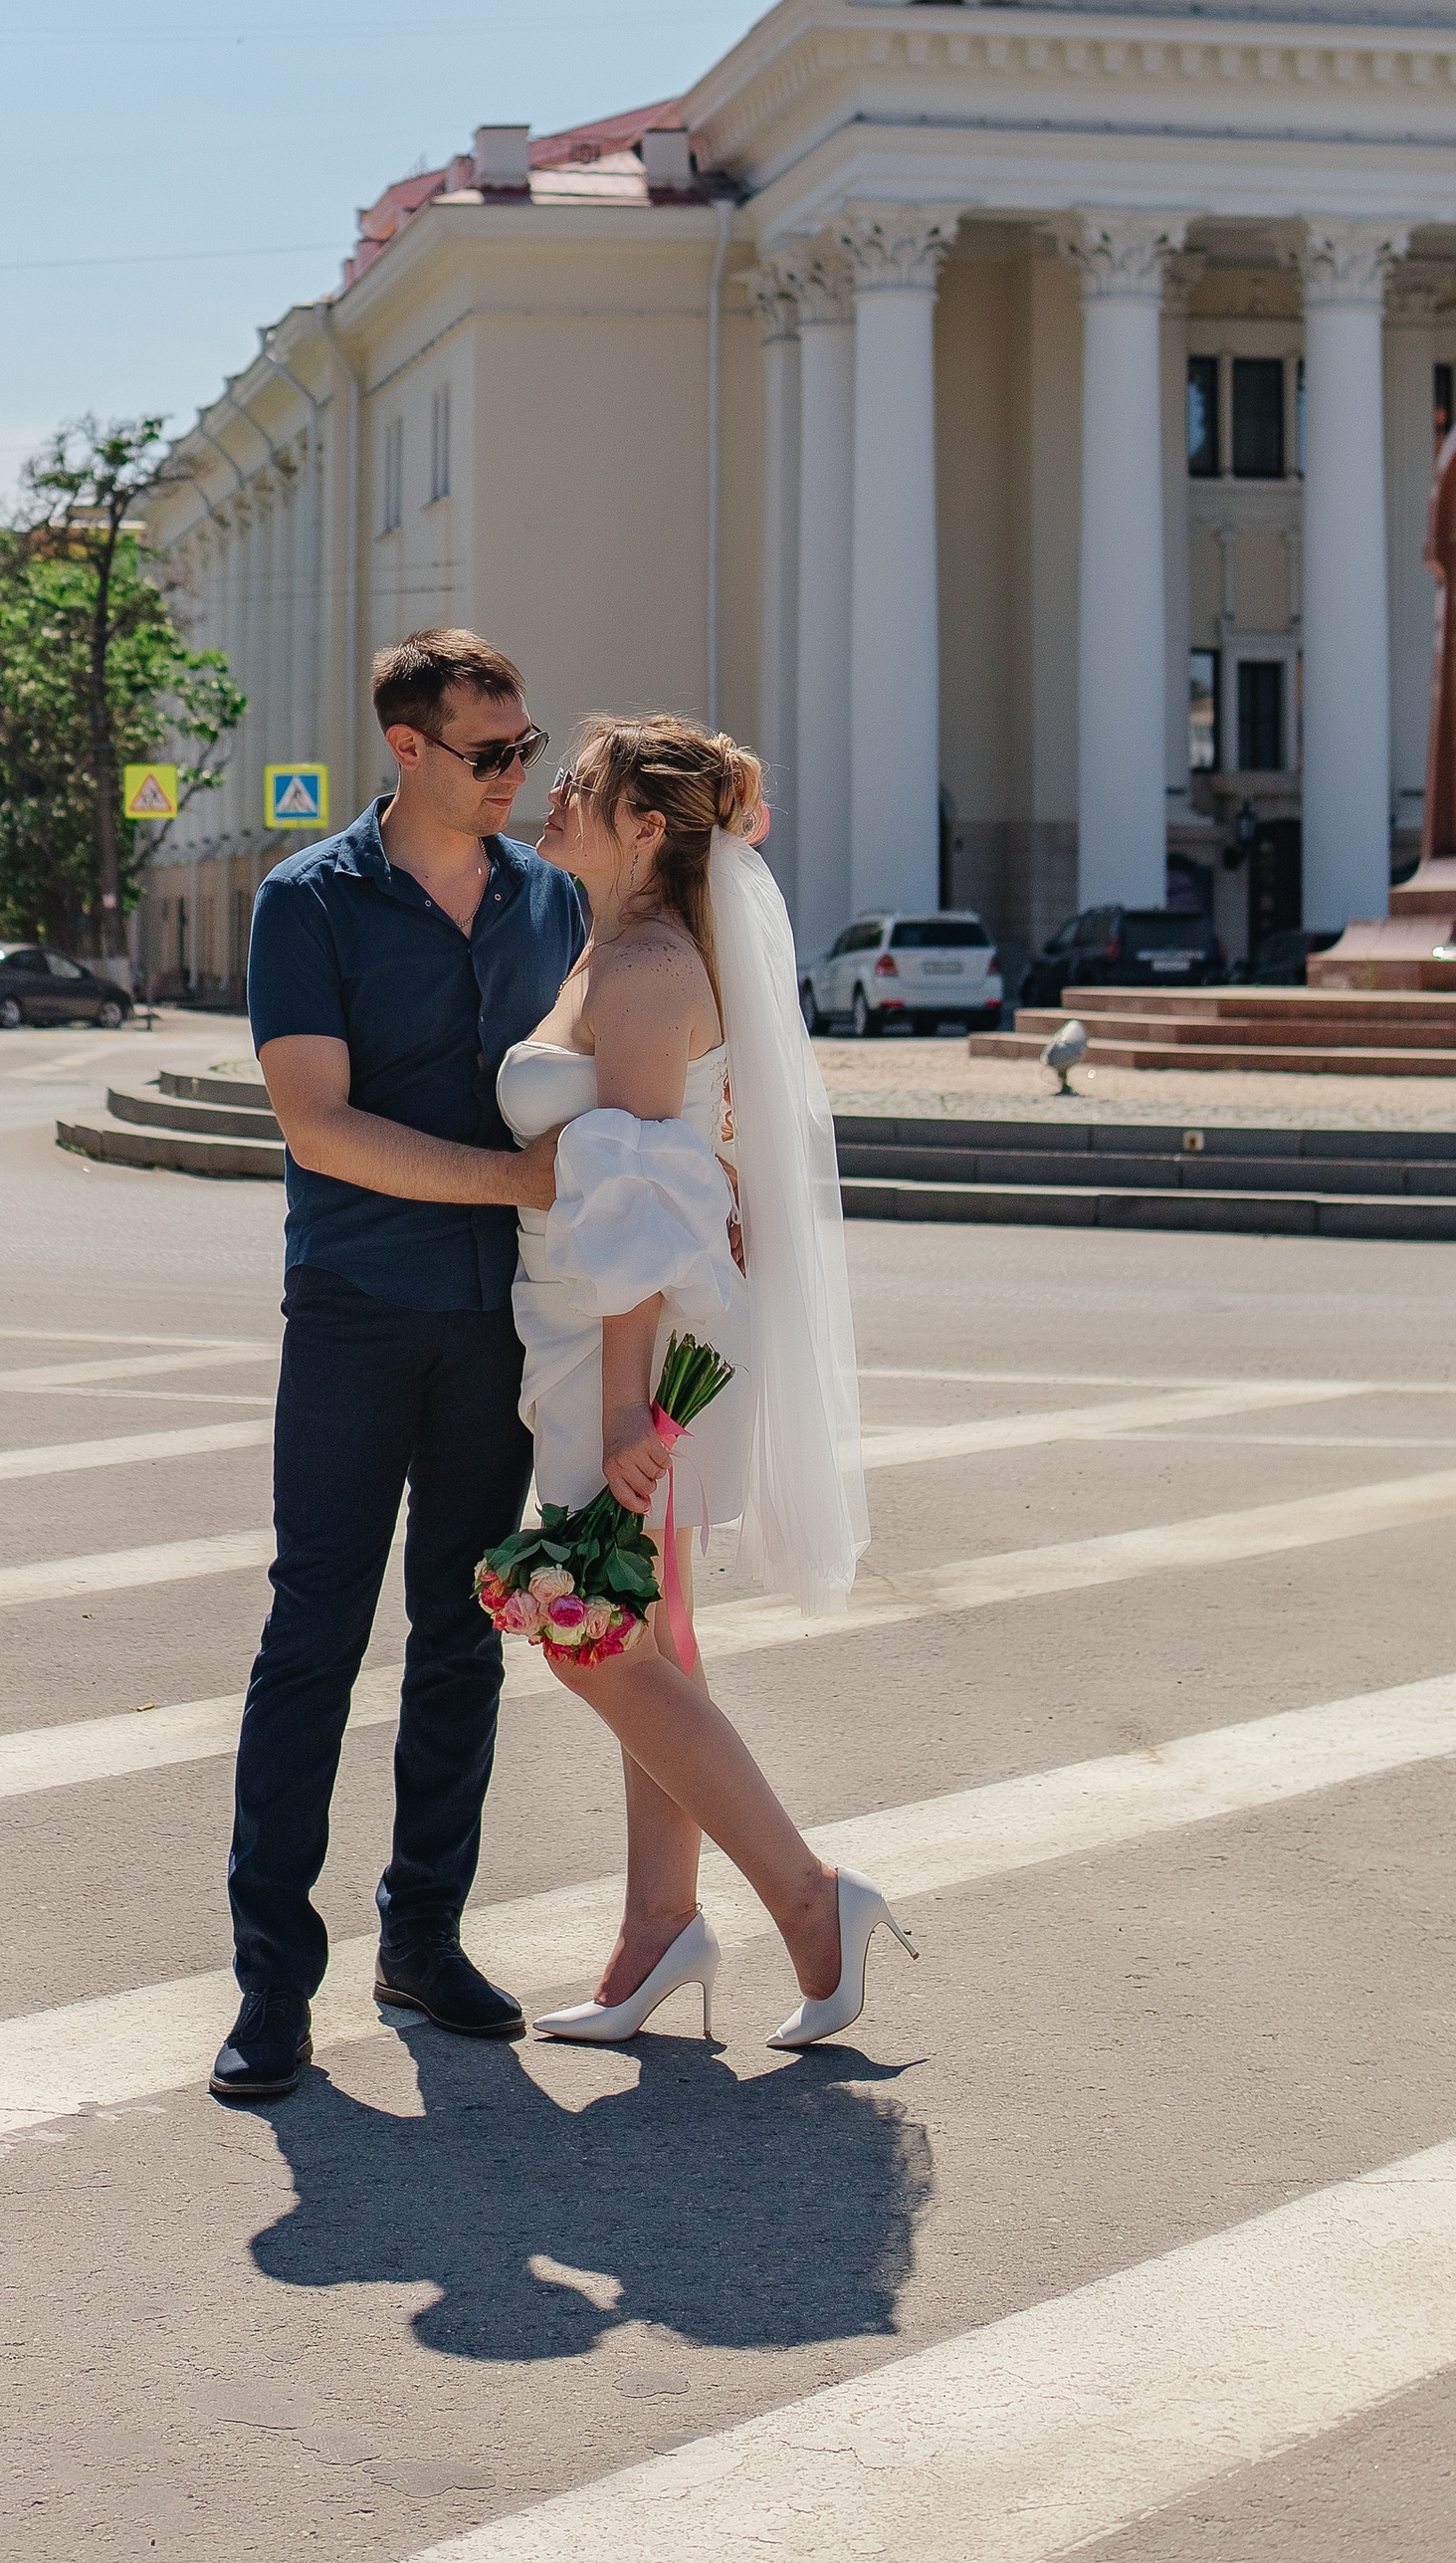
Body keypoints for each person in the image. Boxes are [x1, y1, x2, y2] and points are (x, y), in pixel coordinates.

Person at [497, 714, 914, 2050]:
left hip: (628, 1344)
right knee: (648, 1635)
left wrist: (626, 1413)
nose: (553, 794)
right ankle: (657, 1930)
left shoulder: (651, 968)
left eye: (581, 784)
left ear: (643, 827)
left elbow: (638, 1208)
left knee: (589, 1627)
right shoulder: (614, 949)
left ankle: (807, 1897)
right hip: (591, 1327)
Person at [212, 628, 589, 2103]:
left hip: (506, 1324)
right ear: (408, 748)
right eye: (489, 753)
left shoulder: (549, 901)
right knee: (312, 1637)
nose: (515, 776)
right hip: (359, 1310)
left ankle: (422, 1937)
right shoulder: (310, 901)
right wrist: (520, 1184)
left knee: (459, 1639)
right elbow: (319, 1125)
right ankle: (269, 1990)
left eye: (525, 749)